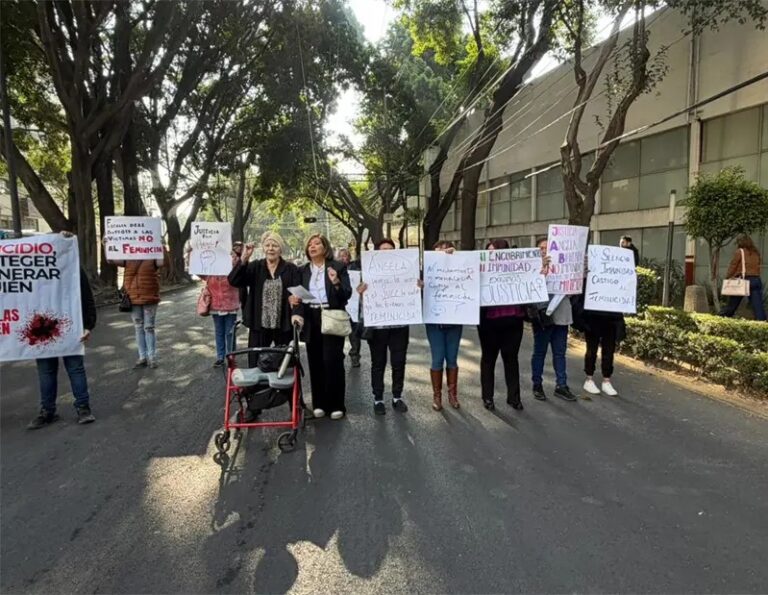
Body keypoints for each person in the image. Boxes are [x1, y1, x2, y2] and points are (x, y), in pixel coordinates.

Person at [28, 234, 97, 429]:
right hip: (41, 330)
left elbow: (87, 298)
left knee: (75, 369)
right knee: (45, 371)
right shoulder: (32, 271)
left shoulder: (74, 268)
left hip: (70, 329)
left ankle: (83, 407)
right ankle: (47, 411)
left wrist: (88, 325)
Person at [290, 234, 352, 420]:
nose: (313, 246)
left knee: (332, 361)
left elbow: (346, 295)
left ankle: (336, 404)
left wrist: (335, 282)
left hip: (331, 315)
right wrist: (295, 306)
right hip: (311, 318)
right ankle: (319, 403)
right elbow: (299, 297)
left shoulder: (338, 267)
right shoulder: (302, 271)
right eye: (310, 244)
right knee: (315, 362)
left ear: (325, 248)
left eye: (317, 243)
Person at [357, 238, 420, 415]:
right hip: (377, 327)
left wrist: (417, 288)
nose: (386, 252)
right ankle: (378, 399)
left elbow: (412, 294)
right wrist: (360, 294)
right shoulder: (368, 272)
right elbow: (360, 303)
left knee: (399, 363)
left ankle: (397, 397)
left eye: (390, 250)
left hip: (399, 325)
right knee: (378, 363)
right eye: (383, 249)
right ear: (376, 253)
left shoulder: (405, 271)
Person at [228, 232, 302, 367]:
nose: (271, 248)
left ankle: (283, 388)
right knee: (255, 362)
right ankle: (256, 388)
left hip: (283, 323)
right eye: (267, 245)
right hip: (259, 324)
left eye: (275, 245)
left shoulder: (291, 269)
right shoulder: (255, 267)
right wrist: (243, 260)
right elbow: (234, 280)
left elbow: (297, 295)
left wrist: (295, 307)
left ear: (281, 249)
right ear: (263, 248)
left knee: (286, 363)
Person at [477, 239, 527, 411]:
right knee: (488, 359)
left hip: (513, 321)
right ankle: (487, 397)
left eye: (495, 252)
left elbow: (532, 278)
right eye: (489, 253)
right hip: (489, 322)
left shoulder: (517, 269)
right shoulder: (480, 270)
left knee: (511, 359)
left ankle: (514, 397)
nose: (492, 256)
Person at [530, 237, 578, 402]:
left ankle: (561, 386)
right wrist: (541, 271)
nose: (544, 251)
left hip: (562, 315)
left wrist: (577, 279)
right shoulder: (532, 269)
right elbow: (530, 289)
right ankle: (537, 385)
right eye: (541, 249)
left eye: (546, 248)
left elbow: (572, 292)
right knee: (540, 353)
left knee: (559, 353)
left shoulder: (564, 267)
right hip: (543, 316)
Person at [572, 254, 624, 398]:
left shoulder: (615, 278)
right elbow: (579, 296)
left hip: (611, 318)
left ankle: (606, 380)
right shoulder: (588, 278)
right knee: (592, 349)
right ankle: (589, 378)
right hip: (593, 318)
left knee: (609, 350)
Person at [426, 240, 463, 411]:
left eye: (444, 250)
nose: (442, 253)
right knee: (437, 358)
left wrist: (456, 258)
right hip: (434, 324)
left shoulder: (460, 267)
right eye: (437, 250)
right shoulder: (426, 270)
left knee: (452, 359)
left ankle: (452, 395)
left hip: (454, 322)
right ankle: (437, 396)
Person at [113, 256, 165, 369]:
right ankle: (142, 357)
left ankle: (151, 357)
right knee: (139, 327)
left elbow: (162, 263)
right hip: (133, 298)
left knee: (148, 327)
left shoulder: (153, 254)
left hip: (149, 298)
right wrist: (107, 245)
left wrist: (161, 247)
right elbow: (112, 259)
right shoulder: (127, 255)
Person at [201, 252, 241, 367]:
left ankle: (231, 357)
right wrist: (192, 254)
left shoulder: (232, 265)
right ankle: (220, 357)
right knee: (219, 332)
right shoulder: (210, 269)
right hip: (216, 306)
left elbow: (240, 268)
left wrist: (233, 258)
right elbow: (199, 271)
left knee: (230, 333)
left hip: (230, 306)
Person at [720, 235, 766, 321]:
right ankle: (762, 324)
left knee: (732, 305)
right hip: (756, 280)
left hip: (743, 281)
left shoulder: (740, 252)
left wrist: (727, 277)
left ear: (740, 242)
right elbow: (758, 267)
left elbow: (733, 266)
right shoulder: (756, 252)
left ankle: (720, 319)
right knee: (758, 306)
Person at [337, 247, 362, 368]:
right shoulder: (334, 269)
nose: (344, 258)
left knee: (354, 333)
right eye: (341, 256)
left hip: (354, 306)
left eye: (346, 255)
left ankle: (355, 355)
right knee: (338, 332)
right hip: (341, 307)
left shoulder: (356, 268)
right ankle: (338, 355)